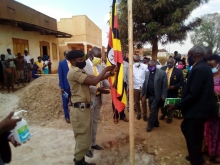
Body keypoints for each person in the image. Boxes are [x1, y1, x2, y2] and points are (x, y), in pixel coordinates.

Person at [167, 46, 218, 165]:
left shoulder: (199, 69)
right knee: (188, 129)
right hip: (199, 108)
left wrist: (177, 105)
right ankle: (195, 155)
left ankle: (197, 160)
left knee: (193, 135)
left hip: (198, 110)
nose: (188, 58)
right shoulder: (203, 67)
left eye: (189, 56)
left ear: (194, 56)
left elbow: (194, 94)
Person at [66, 50, 115, 165]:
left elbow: (94, 77)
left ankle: (80, 160)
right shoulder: (74, 72)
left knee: (84, 135)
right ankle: (79, 161)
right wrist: (106, 69)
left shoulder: (80, 70)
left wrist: (110, 74)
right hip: (79, 109)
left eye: (83, 59)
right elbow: (94, 81)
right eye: (79, 60)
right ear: (73, 61)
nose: (82, 61)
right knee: (82, 136)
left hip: (84, 108)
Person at [141, 60, 168, 132]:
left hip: (157, 96)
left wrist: (164, 95)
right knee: (153, 110)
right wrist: (142, 93)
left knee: (152, 110)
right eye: (148, 66)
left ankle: (150, 125)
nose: (149, 68)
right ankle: (156, 123)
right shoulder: (147, 73)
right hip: (150, 95)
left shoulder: (162, 73)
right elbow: (144, 84)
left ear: (155, 66)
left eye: (151, 66)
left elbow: (165, 86)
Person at [203, 55, 220, 164]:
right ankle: (206, 149)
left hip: (218, 109)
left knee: (216, 132)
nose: (210, 67)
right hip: (208, 106)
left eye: (212, 65)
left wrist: (213, 89)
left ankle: (214, 154)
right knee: (206, 128)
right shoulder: (210, 73)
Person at [159, 57, 184, 123]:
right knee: (162, 103)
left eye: (171, 63)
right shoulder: (162, 69)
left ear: (174, 63)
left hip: (172, 91)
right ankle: (164, 114)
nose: (169, 64)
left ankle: (170, 117)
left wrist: (175, 86)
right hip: (163, 90)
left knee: (171, 103)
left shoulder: (178, 72)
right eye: (168, 63)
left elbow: (181, 82)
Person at [133, 55, 148, 121]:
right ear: (133, 61)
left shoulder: (145, 67)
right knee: (136, 101)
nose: (137, 62)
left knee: (144, 101)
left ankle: (144, 115)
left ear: (140, 60)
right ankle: (139, 113)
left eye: (138, 61)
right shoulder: (132, 67)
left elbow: (147, 76)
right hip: (135, 87)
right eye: (135, 61)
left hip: (143, 87)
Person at [58, 50, 71, 123]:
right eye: (68, 54)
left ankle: (74, 116)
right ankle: (67, 116)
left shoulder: (73, 62)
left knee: (73, 102)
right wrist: (62, 87)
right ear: (65, 55)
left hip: (73, 87)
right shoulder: (61, 63)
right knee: (65, 102)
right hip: (65, 88)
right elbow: (61, 76)